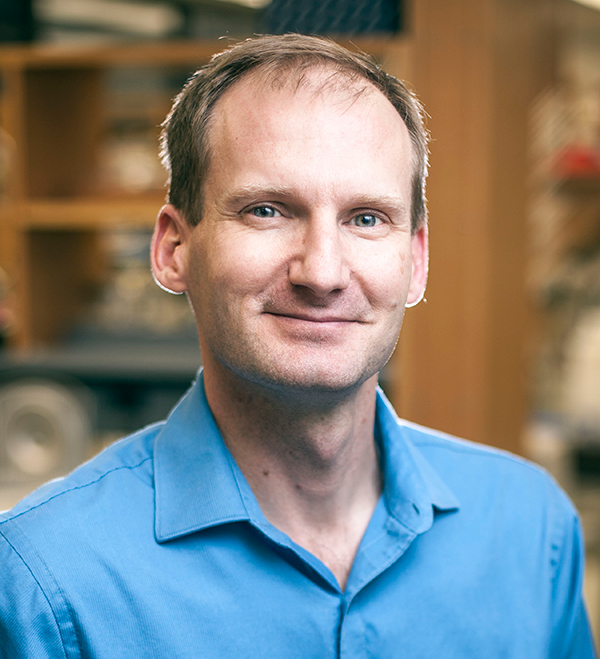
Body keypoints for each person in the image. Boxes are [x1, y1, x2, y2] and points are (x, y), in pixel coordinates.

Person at [0, 34, 595, 658]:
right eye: (267, 211)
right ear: (174, 249)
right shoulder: (47, 585)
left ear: (416, 261)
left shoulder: (530, 530)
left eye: (366, 218)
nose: (323, 272)